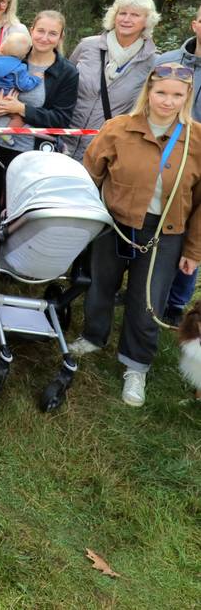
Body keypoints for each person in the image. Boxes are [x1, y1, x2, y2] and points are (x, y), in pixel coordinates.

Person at [70, 64, 201, 407]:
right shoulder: (118, 129)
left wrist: (194, 249)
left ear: (187, 96)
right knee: (101, 285)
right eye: (161, 93)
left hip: (165, 233)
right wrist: (85, 222)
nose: (168, 101)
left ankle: (136, 364)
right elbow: (89, 176)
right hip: (115, 226)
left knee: (147, 304)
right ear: (148, 92)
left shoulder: (197, 140)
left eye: (177, 94)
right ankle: (93, 335)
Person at [0, 10, 80, 252]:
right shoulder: (12, 56)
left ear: (61, 37)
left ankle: (13, 257)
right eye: (40, 31)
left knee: (21, 207)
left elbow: (61, 118)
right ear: (31, 31)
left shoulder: (66, 73)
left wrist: (21, 109)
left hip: (31, 152)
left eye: (52, 33)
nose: (44, 37)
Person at [63, 0, 159, 162]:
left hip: (105, 151)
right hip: (63, 141)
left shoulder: (153, 62)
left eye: (135, 15)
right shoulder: (87, 46)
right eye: (122, 13)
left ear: (147, 21)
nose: (126, 19)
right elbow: (64, 85)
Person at [156, 3, 201, 324]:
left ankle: (175, 303)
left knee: (193, 232)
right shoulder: (167, 61)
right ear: (195, 24)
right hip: (161, 154)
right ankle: (145, 288)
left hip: (198, 160)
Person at [0, 30, 42, 143]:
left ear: (2, 47)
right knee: (19, 117)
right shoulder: (19, 67)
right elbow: (24, 85)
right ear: (23, 55)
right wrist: (36, 78)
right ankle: (6, 134)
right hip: (2, 97)